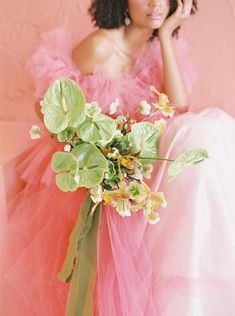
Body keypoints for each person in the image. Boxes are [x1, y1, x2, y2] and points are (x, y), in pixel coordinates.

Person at [1, 0, 235, 315]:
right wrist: (95, 150)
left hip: (133, 164)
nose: (155, 4)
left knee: (209, 131)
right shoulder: (99, 46)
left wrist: (166, 34)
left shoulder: (157, 51)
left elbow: (179, 108)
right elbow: (48, 107)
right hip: (91, 164)